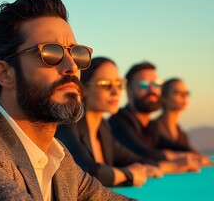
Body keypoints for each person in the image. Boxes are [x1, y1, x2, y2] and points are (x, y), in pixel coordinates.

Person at [0, 0, 134, 201]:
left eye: (77, 53)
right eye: (51, 53)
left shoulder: (59, 158)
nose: (72, 67)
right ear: (5, 74)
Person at [56, 57, 162, 187]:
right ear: (83, 89)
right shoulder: (67, 125)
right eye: (105, 85)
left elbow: (136, 160)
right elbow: (88, 172)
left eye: (119, 84)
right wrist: (128, 174)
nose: (115, 92)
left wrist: (149, 168)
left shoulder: (103, 127)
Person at [108, 61, 200, 173]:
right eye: (144, 85)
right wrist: (173, 159)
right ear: (129, 91)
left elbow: (173, 147)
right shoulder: (118, 121)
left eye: (156, 84)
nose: (152, 90)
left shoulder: (150, 126)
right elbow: (140, 151)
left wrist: (195, 156)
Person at [151, 78, 212, 165]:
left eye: (186, 93)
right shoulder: (151, 128)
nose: (184, 96)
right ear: (164, 98)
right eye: (176, 92)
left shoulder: (182, 135)